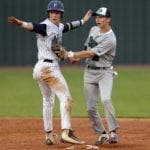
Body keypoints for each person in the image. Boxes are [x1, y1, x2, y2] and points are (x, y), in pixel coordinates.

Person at [8, 0, 92, 145]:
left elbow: (69, 26)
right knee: (66, 97)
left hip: (39, 69)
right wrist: (20, 22)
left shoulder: (58, 26)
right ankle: (66, 131)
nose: (54, 14)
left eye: (57, 12)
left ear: (61, 15)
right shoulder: (45, 26)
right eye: (52, 12)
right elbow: (32, 26)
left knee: (48, 101)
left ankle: (49, 134)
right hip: (48, 68)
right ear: (49, 13)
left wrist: (84, 21)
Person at [60, 7, 120, 145]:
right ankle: (102, 133)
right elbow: (87, 47)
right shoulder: (93, 29)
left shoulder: (111, 39)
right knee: (90, 107)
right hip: (89, 72)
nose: (97, 19)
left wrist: (70, 54)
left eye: (101, 17)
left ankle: (113, 132)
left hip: (104, 72)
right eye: (96, 16)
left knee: (106, 99)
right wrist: (77, 58)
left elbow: (90, 53)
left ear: (108, 19)